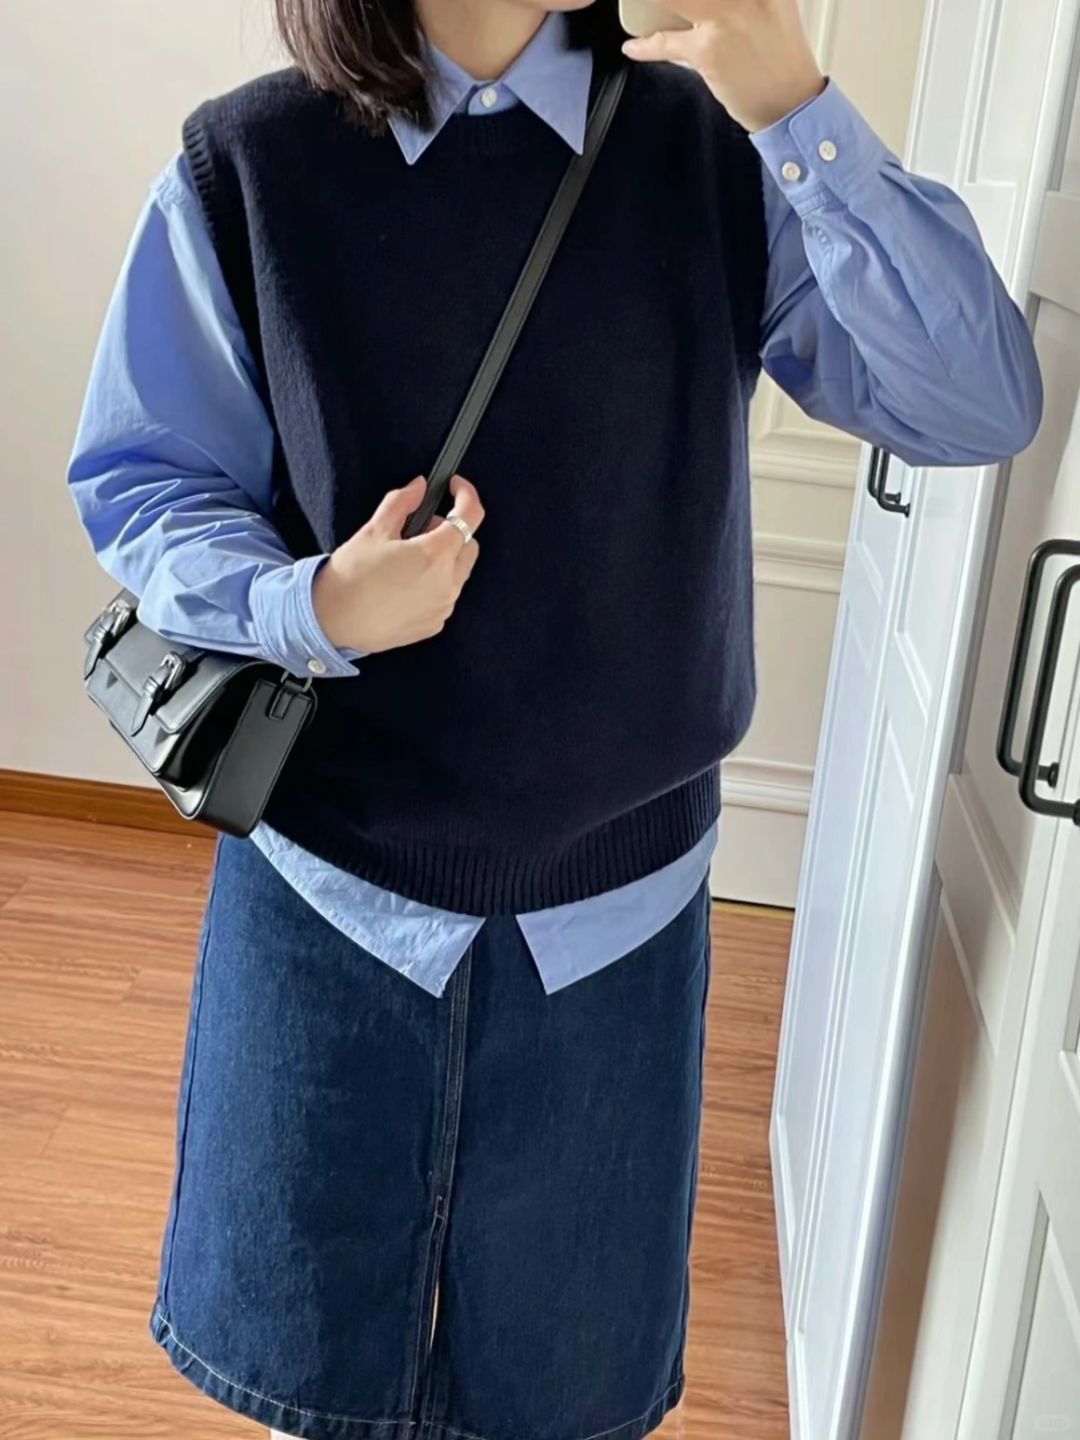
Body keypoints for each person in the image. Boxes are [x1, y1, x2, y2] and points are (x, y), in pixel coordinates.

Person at [65, 0, 1043, 1436]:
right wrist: (312, 605)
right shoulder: (247, 163)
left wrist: (794, 103)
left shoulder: (720, 149)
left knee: (565, 1402)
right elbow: (147, 481)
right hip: (327, 903)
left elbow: (975, 404)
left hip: (618, 921)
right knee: (311, 1395)